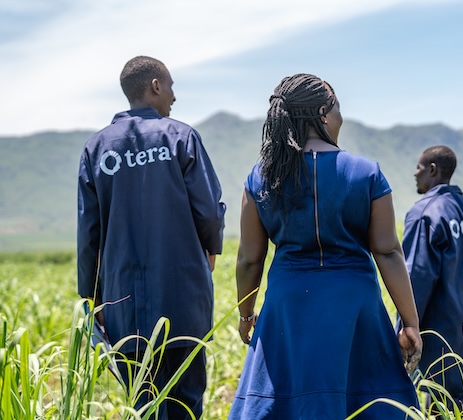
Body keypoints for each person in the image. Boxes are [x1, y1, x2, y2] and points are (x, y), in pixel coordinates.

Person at [229, 73, 422, 419]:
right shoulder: (367, 173)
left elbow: (249, 259)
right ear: (322, 113)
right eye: (338, 107)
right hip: (355, 306)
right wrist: (409, 322)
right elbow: (388, 251)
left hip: (287, 307)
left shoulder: (261, 178)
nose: (341, 116)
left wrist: (246, 315)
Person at [77, 55, 226, 419]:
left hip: (122, 307)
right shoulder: (181, 137)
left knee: (141, 404)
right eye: (171, 86)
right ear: (156, 86)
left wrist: (91, 296)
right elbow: (208, 210)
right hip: (182, 297)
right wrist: (211, 252)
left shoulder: (96, 149)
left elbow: (88, 233)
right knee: (186, 402)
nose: (173, 96)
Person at [398, 145, 463, 410]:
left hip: (439, 334)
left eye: (419, 168)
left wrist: (404, 329)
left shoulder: (425, 214)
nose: (414, 173)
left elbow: (416, 276)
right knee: (461, 405)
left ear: (432, 170)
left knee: (440, 406)